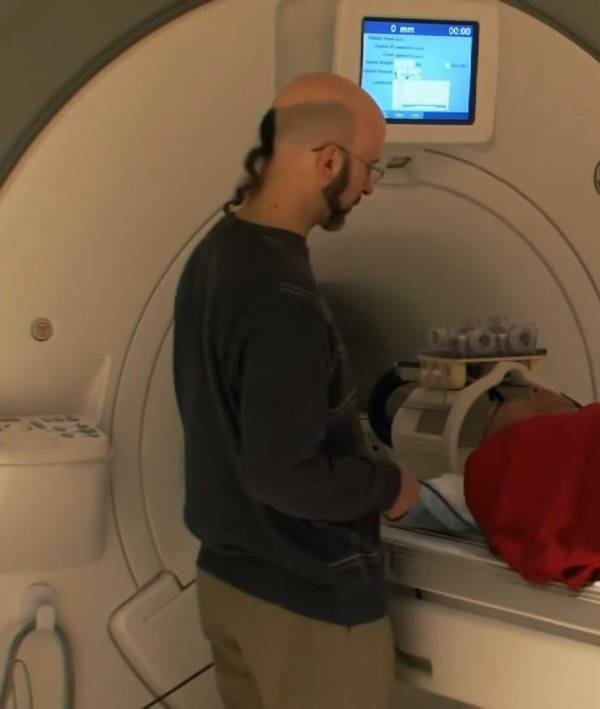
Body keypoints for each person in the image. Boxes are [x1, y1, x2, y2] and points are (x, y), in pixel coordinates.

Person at [172, 72, 419, 709]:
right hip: (306, 602)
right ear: (329, 160)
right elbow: (283, 474)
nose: (369, 185)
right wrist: (387, 485)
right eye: (369, 167)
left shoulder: (216, 253)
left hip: (230, 580)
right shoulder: (284, 300)